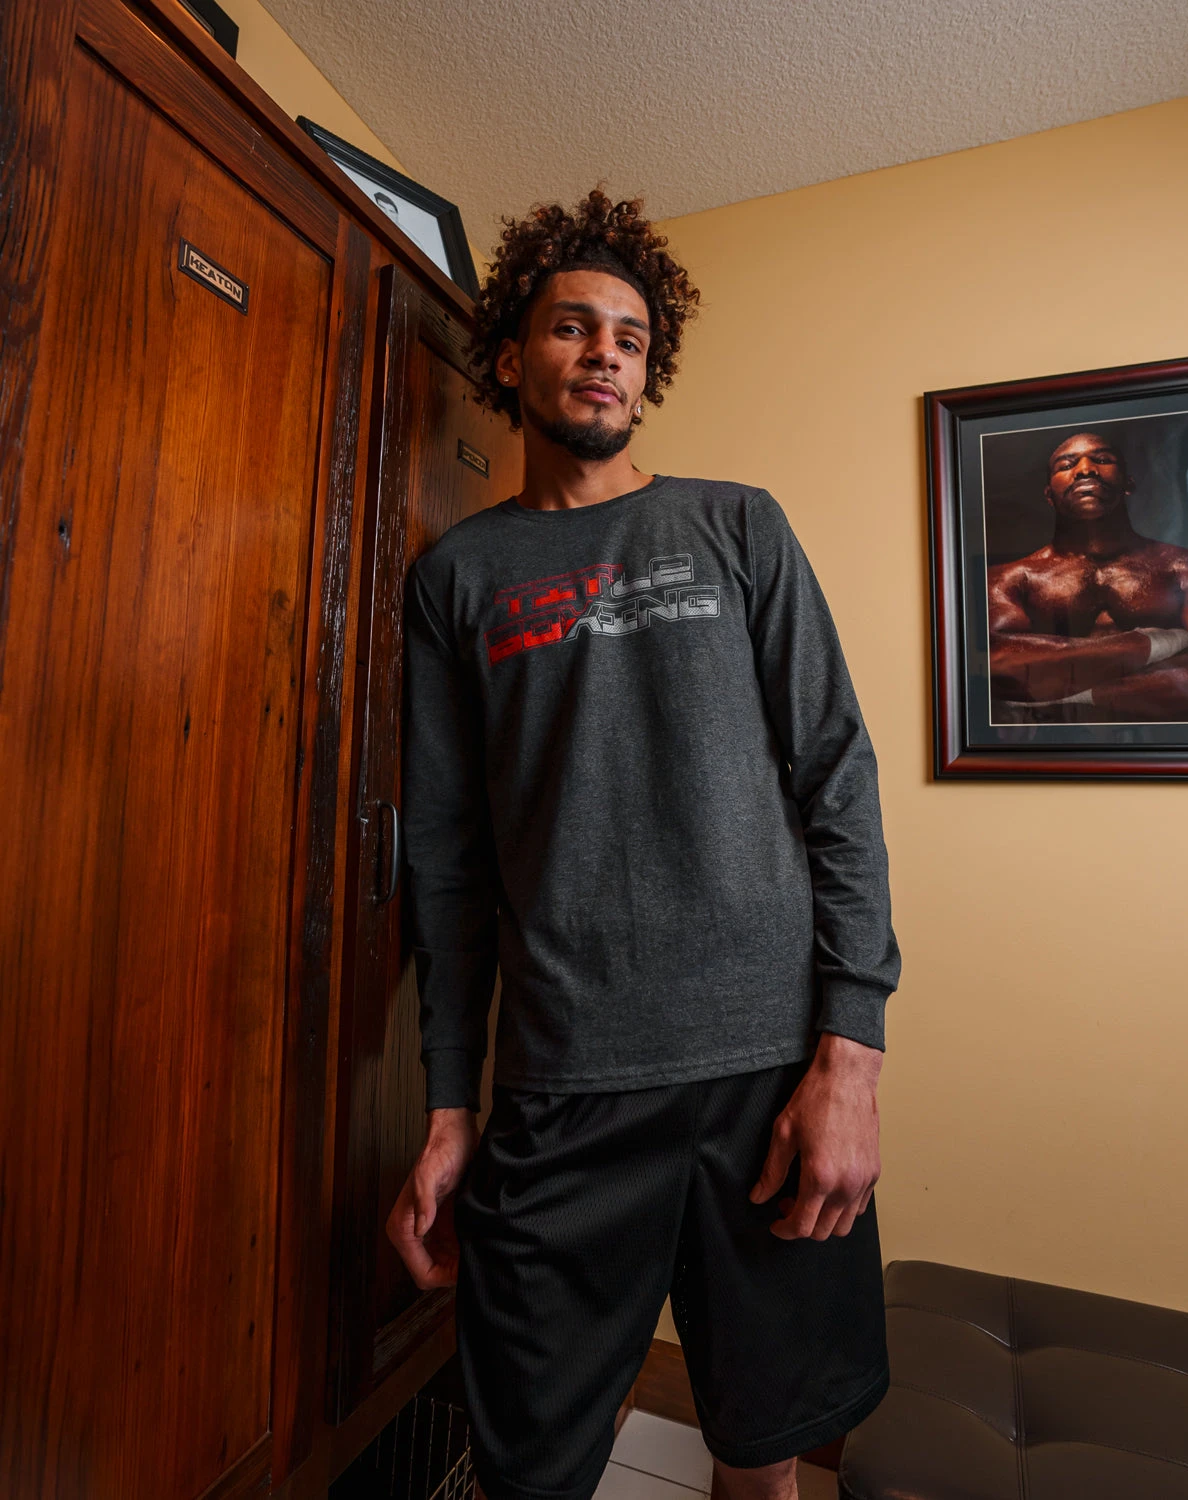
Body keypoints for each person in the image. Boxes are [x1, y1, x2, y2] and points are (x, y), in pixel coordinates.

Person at [386, 190, 900, 1500]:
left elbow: (837, 777)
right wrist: (449, 1105)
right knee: (531, 1464)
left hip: (766, 1077)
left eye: (629, 336)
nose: (605, 353)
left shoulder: (739, 526)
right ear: (513, 357)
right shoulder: (456, 580)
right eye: (573, 326)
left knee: (761, 1451)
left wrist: (850, 1059)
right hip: (563, 1082)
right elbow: (446, 859)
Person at [988, 431, 1188, 722]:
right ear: (1049, 495)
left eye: (1102, 460)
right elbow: (997, 663)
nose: (1085, 469)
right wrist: (1157, 643)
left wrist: (1054, 683)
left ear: (1128, 483)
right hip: (1059, 742)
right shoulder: (1011, 578)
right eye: (1066, 465)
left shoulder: (1185, 568)